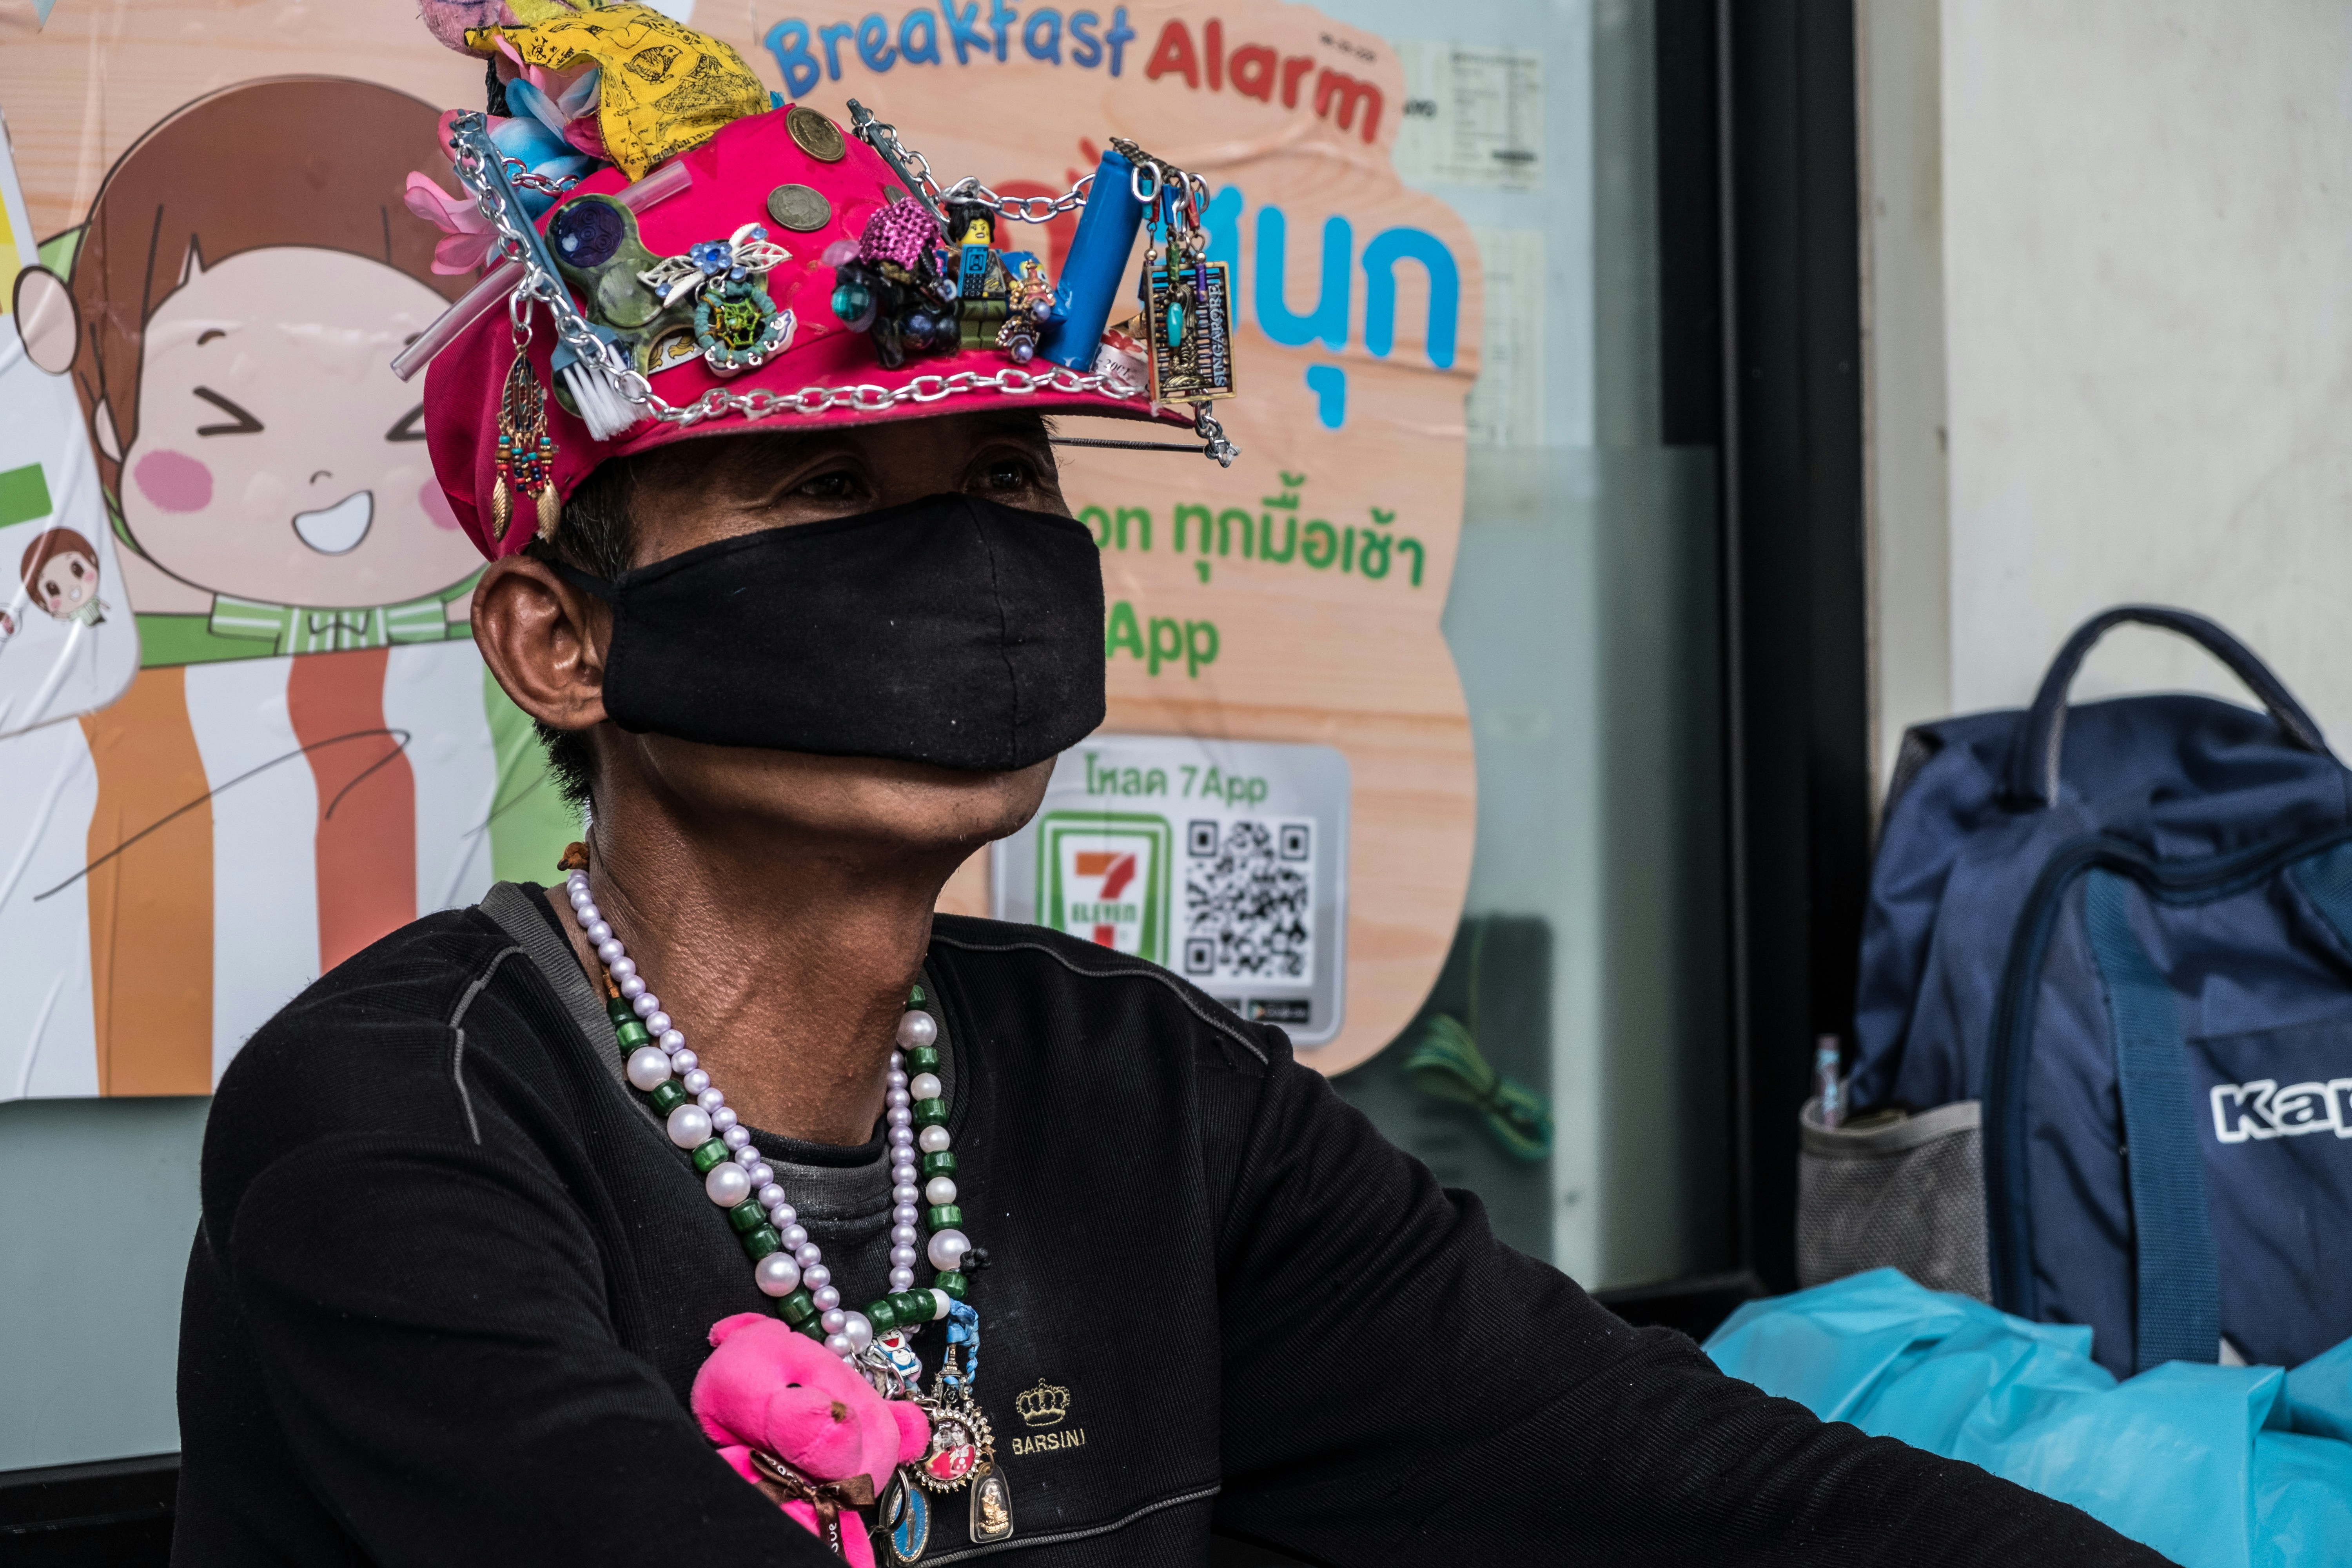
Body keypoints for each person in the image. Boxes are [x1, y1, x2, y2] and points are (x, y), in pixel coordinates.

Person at [172, 11, 2171, 1566]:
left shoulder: (1139, 1095)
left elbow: (1678, 1486)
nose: (962, 563)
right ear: (561, 644)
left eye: (1010, 486)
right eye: (829, 492)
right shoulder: (398, 1124)